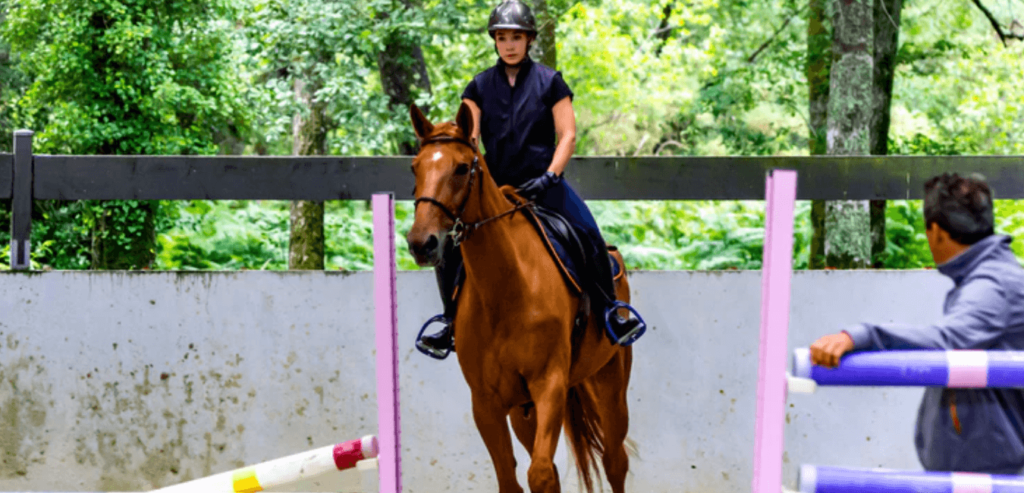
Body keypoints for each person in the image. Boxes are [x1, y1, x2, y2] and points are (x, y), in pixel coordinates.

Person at [414, 0, 646, 359]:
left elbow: (567, 135)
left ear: (529, 40)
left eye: (516, 37)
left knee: (588, 234)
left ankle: (610, 312)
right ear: (494, 41)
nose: (509, 44)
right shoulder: (477, 87)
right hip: (494, 191)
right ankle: (449, 321)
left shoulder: (550, 82)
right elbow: (468, 137)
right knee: (451, 246)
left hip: (544, 185)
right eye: (502, 37)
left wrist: (550, 176)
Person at [809, 173, 1024, 474]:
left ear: (935, 231)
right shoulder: (989, 277)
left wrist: (866, 335)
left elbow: (949, 339)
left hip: (989, 475)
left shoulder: (994, 285)